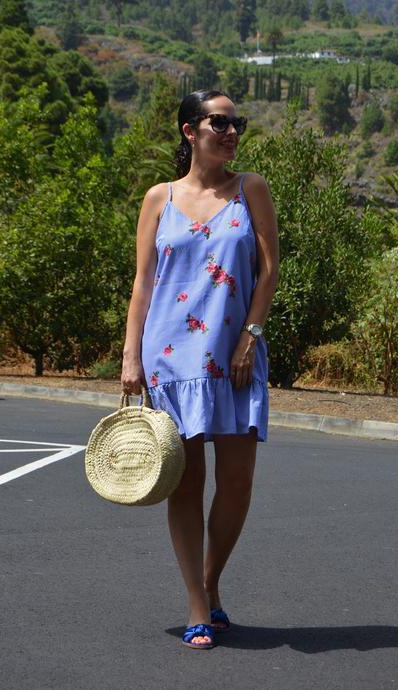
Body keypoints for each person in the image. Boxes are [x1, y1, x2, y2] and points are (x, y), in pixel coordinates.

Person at [121, 89, 279, 649]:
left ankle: (211, 581)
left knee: (237, 483)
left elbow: (267, 272)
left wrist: (250, 337)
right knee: (186, 482)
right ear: (190, 130)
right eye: (220, 122)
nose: (231, 131)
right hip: (170, 358)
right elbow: (143, 284)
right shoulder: (157, 198)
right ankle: (196, 602)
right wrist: (130, 355)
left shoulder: (250, 189)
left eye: (237, 123)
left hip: (236, 355)